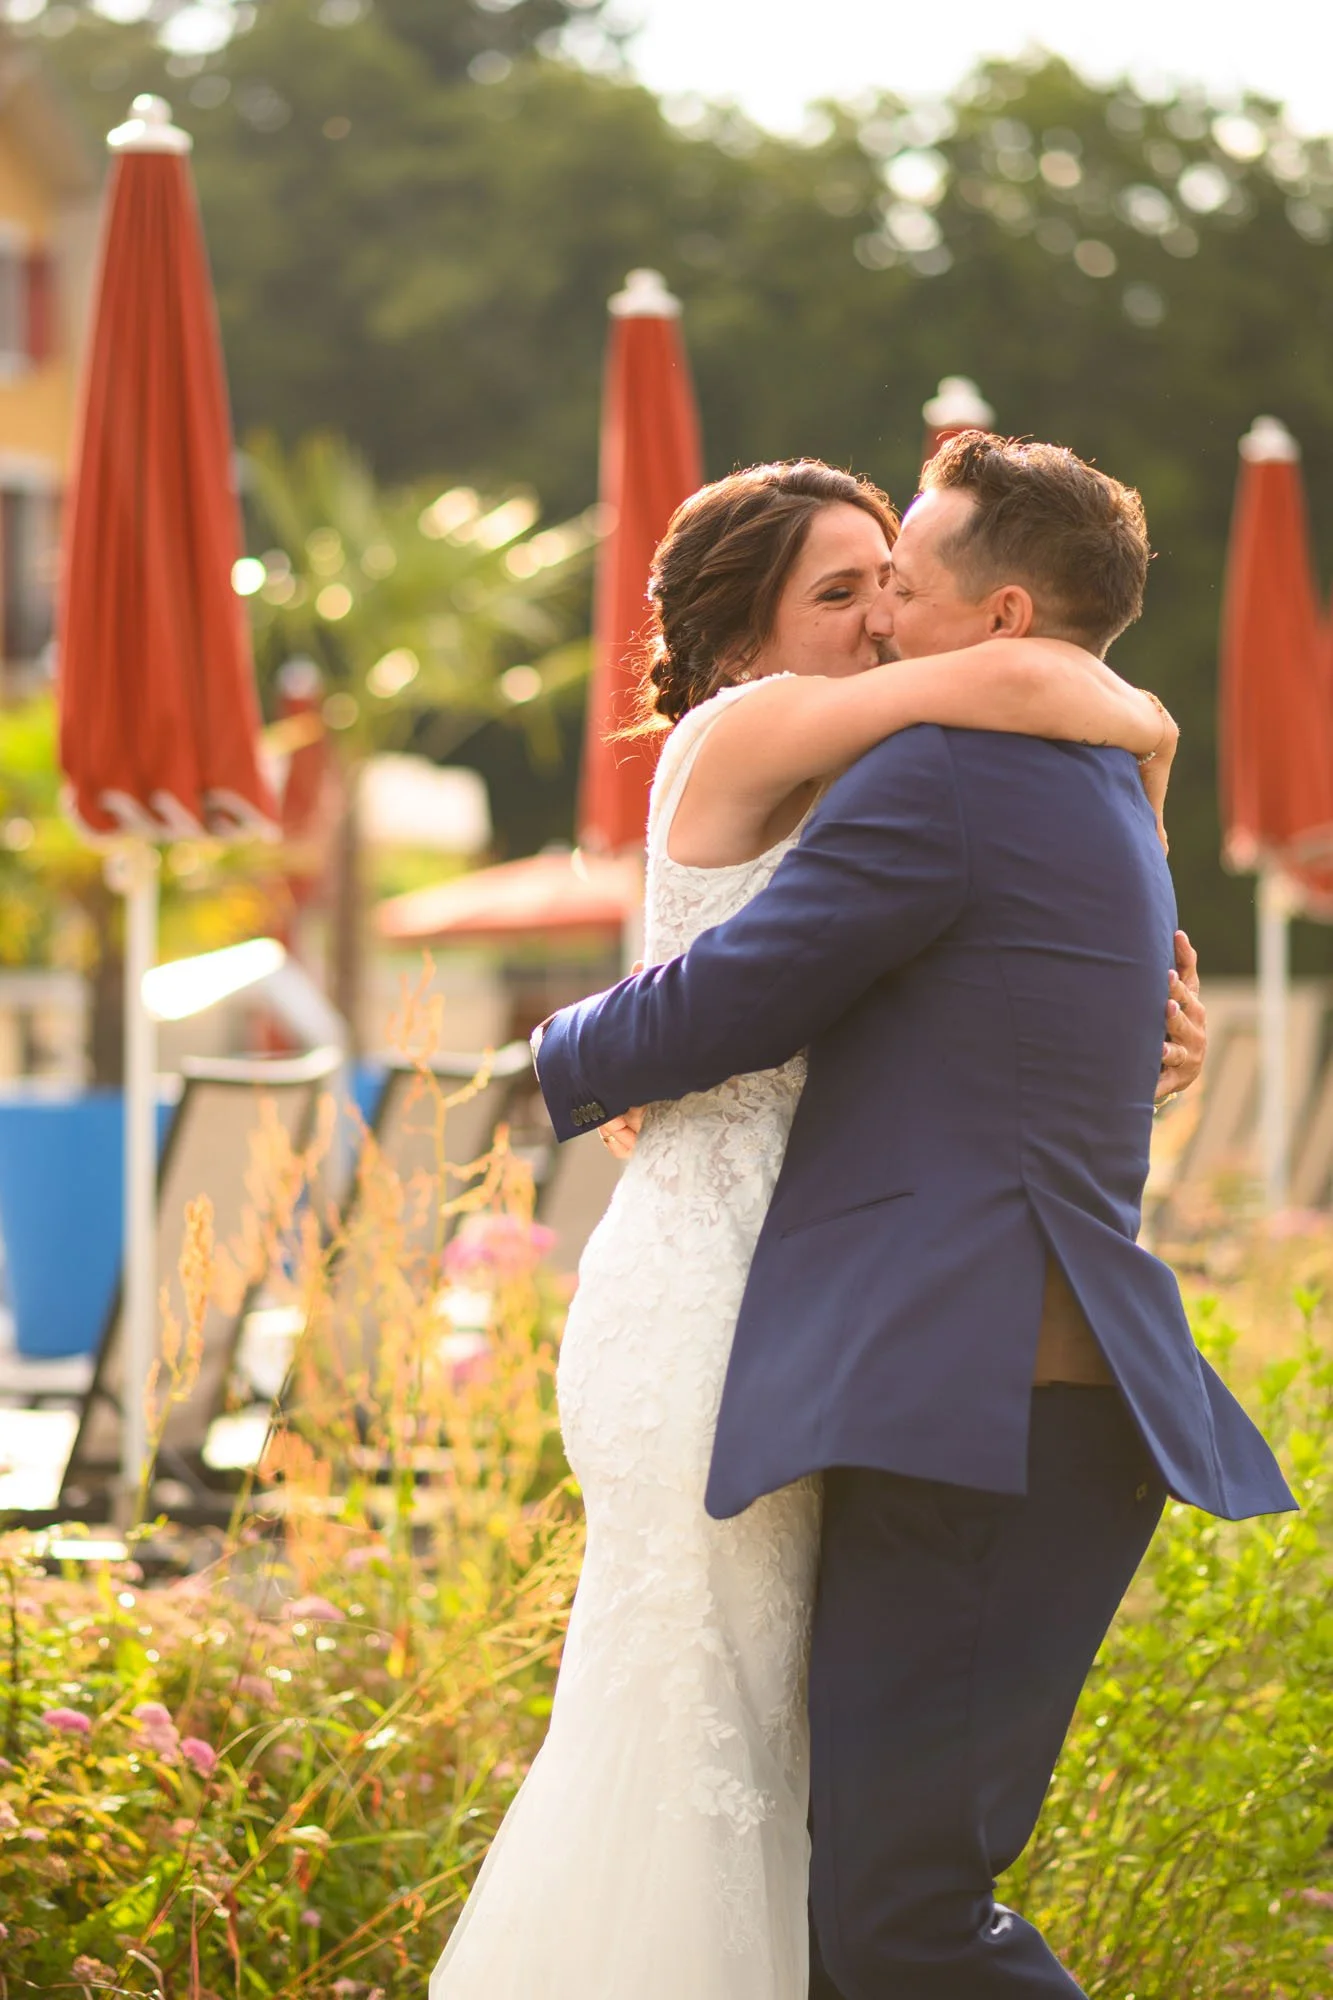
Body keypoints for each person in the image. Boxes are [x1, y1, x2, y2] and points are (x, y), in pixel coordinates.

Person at [430, 448, 1217, 2000]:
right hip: (742, 1292)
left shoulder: (929, 762)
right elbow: (1064, 710)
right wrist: (1136, 714)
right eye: (842, 591)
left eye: (891, 583)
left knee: (823, 1819)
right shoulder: (801, 727)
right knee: (723, 1748)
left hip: (856, 1319)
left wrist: (1137, 1018)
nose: (874, 623)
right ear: (737, 646)